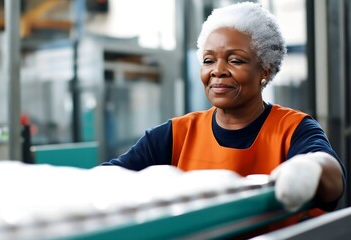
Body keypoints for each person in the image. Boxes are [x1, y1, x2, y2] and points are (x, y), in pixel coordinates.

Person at [101, 1, 345, 229]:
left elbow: (331, 177)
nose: (218, 71)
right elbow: (112, 177)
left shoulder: (293, 128)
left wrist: (308, 167)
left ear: (265, 69)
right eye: (208, 60)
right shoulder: (176, 134)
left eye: (235, 60)